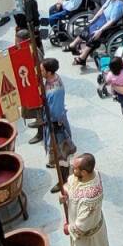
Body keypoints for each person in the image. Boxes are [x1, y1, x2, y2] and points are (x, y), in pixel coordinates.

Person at [43, 57, 77, 192]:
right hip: (52, 123)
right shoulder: (51, 79)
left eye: (42, 69)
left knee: (62, 155)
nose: (40, 71)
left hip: (57, 126)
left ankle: (63, 179)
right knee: (55, 151)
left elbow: (56, 113)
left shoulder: (55, 91)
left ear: (49, 72)